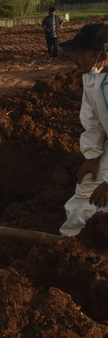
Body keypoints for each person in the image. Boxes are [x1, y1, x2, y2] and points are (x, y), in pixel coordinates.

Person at [58, 24, 108, 236]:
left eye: (79, 54)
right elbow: (92, 121)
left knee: (101, 199)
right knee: (87, 189)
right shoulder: (94, 77)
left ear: (102, 56)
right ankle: (71, 243)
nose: (74, 59)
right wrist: (93, 156)